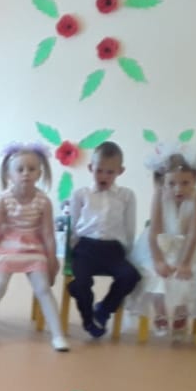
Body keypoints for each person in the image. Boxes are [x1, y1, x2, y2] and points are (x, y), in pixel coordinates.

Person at [0, 142, 69, 351]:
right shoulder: (4, 200)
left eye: (31, 169)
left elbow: (48, 234)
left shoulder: (44, 201)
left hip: (34, 250)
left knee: (43, 288)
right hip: (7, 248)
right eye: (20, 169)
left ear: (39, 173)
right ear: (10, 174)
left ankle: (58, 335)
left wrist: (52, 259)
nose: (26, 174)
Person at [127, 143, 196, 339]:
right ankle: (160, 312)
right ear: (163, 182)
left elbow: (193, 232)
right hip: (159, 246)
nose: (179, 189)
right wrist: (159, 260)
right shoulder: (159, 195)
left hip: (188, 247)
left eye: (185, 183)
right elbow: (154, 232)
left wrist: (185, 263)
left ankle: (180, 311)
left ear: (195, 180)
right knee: (154, 273)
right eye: (172, 183)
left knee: (190, 274)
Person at [66, 141, 141, 338]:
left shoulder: (126, 196)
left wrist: (128, 252)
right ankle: (88, 320)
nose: (103, 177)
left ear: (120, 171)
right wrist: (74, 250)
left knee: (131, 276)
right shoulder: (81, 194)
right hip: (86, 248)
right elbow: (73, 225)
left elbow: (129, 227)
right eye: (99, 171)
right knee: (82, 284)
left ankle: (104, 309)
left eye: (110, 172)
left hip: (113, 249)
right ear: (90, 168)